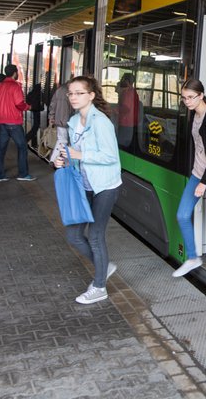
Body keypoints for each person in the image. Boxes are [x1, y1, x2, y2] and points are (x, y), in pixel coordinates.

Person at [53, 76, 122, 304]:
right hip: (83, 183)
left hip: (104, 185)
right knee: (74, 235)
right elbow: (75, 153)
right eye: (71, 93)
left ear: (91, 95)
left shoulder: (100, 122)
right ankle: (104, 265)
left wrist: (79, 155)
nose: (73, 97)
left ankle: (100, 287)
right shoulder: (74, 122)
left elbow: (111, 156)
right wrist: (65, 159)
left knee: (94, 236)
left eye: (79, 93)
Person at [172, 79, 206, 278]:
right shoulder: (194, 114)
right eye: (184, 98)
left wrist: (203, 182)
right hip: (197, 173)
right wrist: (197, 177)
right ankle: (193, 258)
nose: (187, 102)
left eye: (191, 97)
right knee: (182, 215)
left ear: (201, 95)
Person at [0, 64, 35, 182]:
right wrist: (28, 107)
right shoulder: (15, 87)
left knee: (1, 148)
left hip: (2, 121)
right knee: (22, 147)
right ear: (15, 73)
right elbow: (19, 103)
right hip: (14, 122)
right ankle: (23, 174)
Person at [48, 80, 73, 162]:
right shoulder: (71, 91)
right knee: (64, 141)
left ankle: (58, 160)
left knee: (62, 140)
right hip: (69, 120)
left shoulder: (59, 90)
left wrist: (51, 117)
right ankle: (54, 160)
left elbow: (52, 104)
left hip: (59, 120)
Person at [116, 73, 139, 148]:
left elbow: (126, 108)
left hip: (126, 124)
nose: (121, 80)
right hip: (130, 124)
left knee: (121, 145)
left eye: (122, 79)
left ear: (127, 81)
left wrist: (113, 110)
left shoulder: (128, 93)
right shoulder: (132, 92)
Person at [26, 82, 43, 147]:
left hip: (33, 110)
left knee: (35, 125)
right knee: (36, 126)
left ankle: (33, 141)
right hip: (37, 111)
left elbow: (27, 101)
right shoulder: (39, 94)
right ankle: (27, 138)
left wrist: (31, 107)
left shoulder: (30, 93)